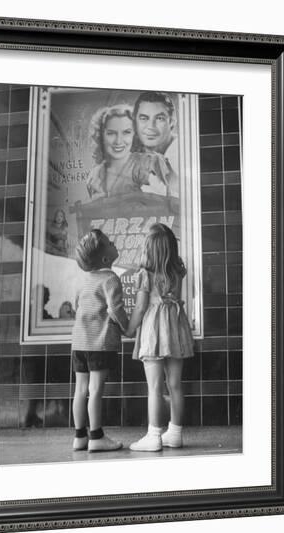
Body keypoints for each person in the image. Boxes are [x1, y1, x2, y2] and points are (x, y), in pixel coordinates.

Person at [125, 223, 194, 451]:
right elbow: (177, 300)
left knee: (155, 387)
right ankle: (175, 433)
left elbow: (141, 307)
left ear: (149, 249)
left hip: (154, 330)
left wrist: (130, 329)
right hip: (176, 327)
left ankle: (153, 435)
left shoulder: (145, 274)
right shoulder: (177, 271)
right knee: (175, 384)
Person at [71, 229, 128, 452]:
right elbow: (115, 310)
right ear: (106, 258)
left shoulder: (83, 280)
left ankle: (79, 436)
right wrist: (127, 328)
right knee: (95, 390)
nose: (114, 243)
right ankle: (96, 436)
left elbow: (78, 307)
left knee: (80, 390)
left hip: (79, 343)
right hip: (100, 343)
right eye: (110, 242)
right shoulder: (111, 279)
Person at [86, 104, 151, 199]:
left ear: (135, 135)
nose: (118, 141)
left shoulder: (144, 167)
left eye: (126, 132)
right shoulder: (95, 175)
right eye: (111, 133)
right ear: (101, 136)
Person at [132, 91, 179, 197]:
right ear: (135, 121)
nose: (151, 126)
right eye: (144, 118)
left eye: (159, 118)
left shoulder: (182, 153)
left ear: (172, 122)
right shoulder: (131, 149)